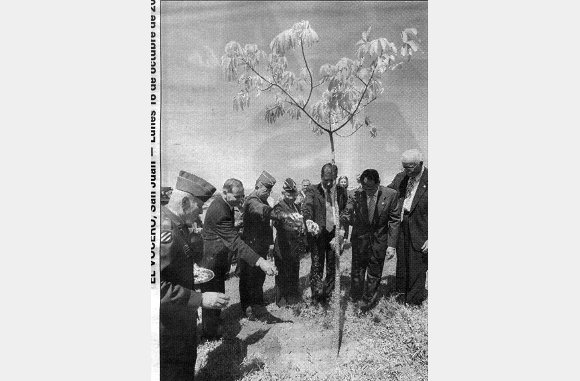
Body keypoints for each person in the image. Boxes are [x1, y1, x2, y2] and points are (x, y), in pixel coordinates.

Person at [160, 170, 230, 381]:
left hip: (178, 319)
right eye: (198, 208)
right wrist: (200, 298)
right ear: (184, 203)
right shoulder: (166, 233)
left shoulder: (176, 226)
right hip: (169, 327)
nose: (200, 215)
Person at [200, 178, 277, 339]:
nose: (241, 200)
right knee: (212, 293)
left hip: (219, 258)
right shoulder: (220, 209)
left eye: (242, 195)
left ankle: (215, 322)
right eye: (237, 196)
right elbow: (235, 242)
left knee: (218, 291)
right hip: (211, 260)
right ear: (225, 192)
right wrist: (261, 261)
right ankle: (211, 333)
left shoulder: (225, 204)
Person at [340, 169, 400, 311]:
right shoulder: (355, 194)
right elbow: (346, 213)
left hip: (379, 239)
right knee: (357, 269)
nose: (367, 191)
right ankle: (355, 296)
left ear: (378, 183)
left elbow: (394, 220)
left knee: (374, 271)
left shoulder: (390, 195)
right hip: (360, 239)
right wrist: (342, 229)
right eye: (364, 187)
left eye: (371, 188)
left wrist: (391, 245)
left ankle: (368, 301)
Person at [239, 171, 297, 319]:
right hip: (250, 247)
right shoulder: (252, 201)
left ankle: (258, 303)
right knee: (248, 278)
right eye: (266, 189)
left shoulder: (262, 199)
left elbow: (267, 226)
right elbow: (263, 211)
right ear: (258, 186)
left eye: (270, 190)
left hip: (260, 246)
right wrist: (281, 215)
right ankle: (248, 307)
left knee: (259, 277)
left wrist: (270, 244)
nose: (268, 192)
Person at [301, 163, 348, 305]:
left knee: (332, 264)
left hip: (334, 233)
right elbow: (307, 207)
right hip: (317, 233)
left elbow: (345, 212)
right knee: (317, 264)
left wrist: (341, 231)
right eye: (325, 179)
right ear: (321, 177)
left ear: (336, 178)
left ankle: (328, 294)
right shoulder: (312, 190)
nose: (328, 183)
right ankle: (316, 296)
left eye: (331, 180)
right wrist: (309, 221)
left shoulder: (341, 191)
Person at [387, 149, 428, 306]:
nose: (406, 171)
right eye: (404, 167)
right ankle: (401, 294)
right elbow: (389, 192)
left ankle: (414, 301)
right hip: (403, 224)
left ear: (420, 164)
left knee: (418, 265)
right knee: (403, 262)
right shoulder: (401, 177)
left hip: (422, 227)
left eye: (409, 167)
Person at [272, 178, 306, 307]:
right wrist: (291, 224)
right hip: (283, 244)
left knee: (293, 270)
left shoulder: (296, 206)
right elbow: (277, 222)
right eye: (288, 194)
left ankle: (293, 295)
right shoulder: (279, 207)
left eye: (294, 194)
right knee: (282, 272)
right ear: (283, 194)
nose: (291, 197)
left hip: (294, 245)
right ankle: (281, 300)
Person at [337, 176, 350, 240]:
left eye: (345, 182)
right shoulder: (336, 192)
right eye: (341, 182)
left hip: (345, 215)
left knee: (344, 232)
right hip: (338, 214)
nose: (343, 183)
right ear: (339, 182)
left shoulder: (348, 192)